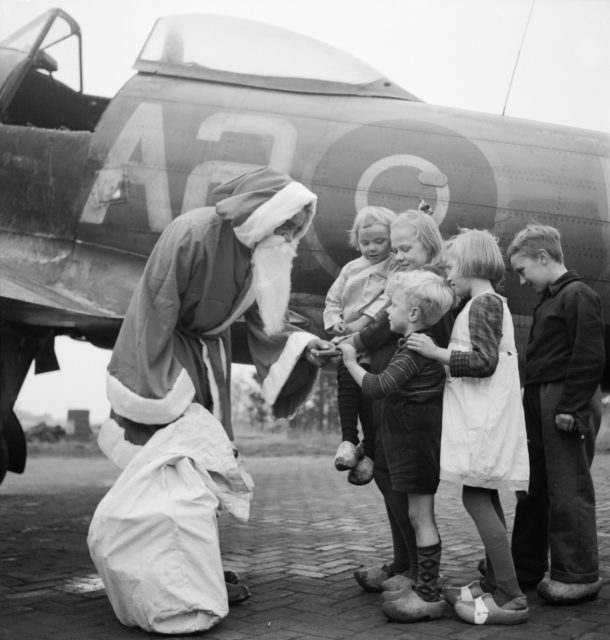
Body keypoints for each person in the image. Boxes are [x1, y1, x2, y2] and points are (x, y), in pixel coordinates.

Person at [104, 166, 333, 602]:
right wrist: (155, 383)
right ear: (263, 213)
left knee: (209, 464)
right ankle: (168, 573)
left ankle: (200, 565)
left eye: (297, 227)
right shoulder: (190, 232)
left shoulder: (263, 250)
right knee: (172, 466)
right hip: (169, 360)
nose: (291, 234)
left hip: (212, 362)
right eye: (286, 223)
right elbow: (154, 305)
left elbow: (269, 320)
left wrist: (304, 347)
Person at [408, 228, 530, 625]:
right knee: (484, 495)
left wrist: (435, 352)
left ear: (472, 263)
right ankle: (497, 584)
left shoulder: (484, 304)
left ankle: (511, 597)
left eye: (451, 266)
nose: (448, 275)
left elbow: (483, 362)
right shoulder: (483, 303)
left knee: (476, 498)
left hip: (484, 422)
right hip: (482, 419)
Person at [343, 210, 454, 593]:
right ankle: (403, 562)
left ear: (429, 243)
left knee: (401, 485)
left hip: (404, 400)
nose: (399, 254)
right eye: (396, 248)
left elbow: (378, 330)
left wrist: (348, 346)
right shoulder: (407, 282)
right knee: (389, 479)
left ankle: (413, 572)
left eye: (406, 247)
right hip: (390, 398)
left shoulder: (429, 289)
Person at [507, 224, 605, 605]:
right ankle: (525, 566)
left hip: (565, 398)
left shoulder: (579, 294)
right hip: (540, 395)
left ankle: (577, 575)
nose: (521, 279)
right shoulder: (552, 297)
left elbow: (590, 355)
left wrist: (572, 408)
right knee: (533, 488)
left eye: (523, 269)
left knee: (569, 488)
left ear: (544, 258)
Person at [323, 206, 396, 483]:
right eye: (365, 242)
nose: (372, 248)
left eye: (380, 241)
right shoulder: (350, 268)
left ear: (391, 239)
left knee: (368, 395)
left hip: (372, 340)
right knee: (346, 384)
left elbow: (386, 300)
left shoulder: (393, 266)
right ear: (356, 240)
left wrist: (359, 325)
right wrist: (335, 322)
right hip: (348, 337)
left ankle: (371, 452)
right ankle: (348, 442)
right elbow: (333, 300)